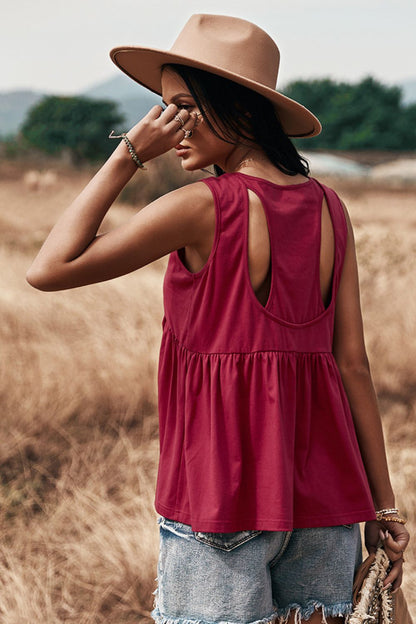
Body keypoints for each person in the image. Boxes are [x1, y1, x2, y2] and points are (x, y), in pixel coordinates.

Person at [27, 13, 409, 624]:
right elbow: (352, 366)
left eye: (184, 106)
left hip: (219, 499)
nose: (168, 125)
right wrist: (382, 509)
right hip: (329, 501)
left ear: (239, 109)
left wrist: (129, 153)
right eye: (161, 109)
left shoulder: (201, 207)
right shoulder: (330, 208)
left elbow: (49, 267)